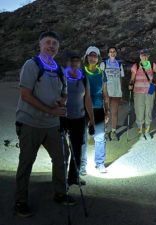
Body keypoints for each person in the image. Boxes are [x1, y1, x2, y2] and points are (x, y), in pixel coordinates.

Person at [14, 31, 75, 218]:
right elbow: (25, 94)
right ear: (40, 45)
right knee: (26, 161)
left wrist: (62, 103)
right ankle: (20, 201)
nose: (51, 46)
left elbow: (64, 92)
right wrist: (50, 110)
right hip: (30, 121)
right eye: (48, 42)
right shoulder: (31, 65)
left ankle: (59, 192)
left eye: (55, 43)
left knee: (61, 157)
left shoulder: (58, 69)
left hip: (52, 124)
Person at [61, 52, 95, 186]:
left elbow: (87, 100)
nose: (74, 64)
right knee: (63, 149)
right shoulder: (61, 77)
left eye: (77, 61)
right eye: (72, 61)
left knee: (77, 149)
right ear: (67, 63)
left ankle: (73, 177)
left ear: (80, 63)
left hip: (79, 118)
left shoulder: (83, 78)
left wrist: (92, 120)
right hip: (64, 118)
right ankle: (60, 177)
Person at [80, 46, 109, 175]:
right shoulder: (81, 72)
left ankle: (100, 163)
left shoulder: (102, 73)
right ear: (86, 57)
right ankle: (82, 165)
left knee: (100, 136)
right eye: (90, 55)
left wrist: (107, 110)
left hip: (97, 107)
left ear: (98, 59)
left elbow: (105, 93)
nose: (93, 58)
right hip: (82, 108)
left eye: (95, 56)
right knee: (82, 137)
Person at [128, 48, 156, 140]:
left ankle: (147, 132)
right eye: (142, 55)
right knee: (139, 112)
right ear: (140, 56)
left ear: (148, 56)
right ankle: (140, 133)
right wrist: (131, 84)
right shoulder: (135, 66)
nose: (144, 57)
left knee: (148, 111)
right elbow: (132, 79)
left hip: (150, 92)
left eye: (145, 55)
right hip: (138, 92)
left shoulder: (152, 65)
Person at [100, 47, 125, 141]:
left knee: (114, 112)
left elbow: (120, 78)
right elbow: (101, 78)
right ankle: (105, 131)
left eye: (114, 52)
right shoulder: (104, 64)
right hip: (107, 92)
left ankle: (113, 132)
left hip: (116, 92)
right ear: (108, 54)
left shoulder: (119, 64)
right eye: (110, 52)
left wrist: (121, 90)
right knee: (106, 112)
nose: (112, 53)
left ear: (116, 53)